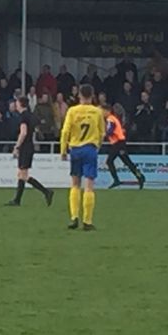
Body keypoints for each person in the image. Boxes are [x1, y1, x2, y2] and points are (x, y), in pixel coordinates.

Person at [60, 84, 105, 230]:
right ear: (92, 96)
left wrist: (63, 150)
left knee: (75, 184)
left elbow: (65, 131)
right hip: (90, 149)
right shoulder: (97, 112)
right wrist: (97, 146)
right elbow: (102, 133)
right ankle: (87, 221)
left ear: (79, 95)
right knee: (89, 185)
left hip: (76, 149)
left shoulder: (72, 111)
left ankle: (74, 218)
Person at [6, 96, 53, 207]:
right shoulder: (31, 115)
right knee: (21, 174)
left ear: (21, 104)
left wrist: (17, 146)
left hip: (25, 147)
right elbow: (36, 128)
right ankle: (17, 200)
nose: (15, 105)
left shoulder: (23, 117)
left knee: (23, 175)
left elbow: (23, 133)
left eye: (17, 103)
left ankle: (46, 191)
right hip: (29, 146)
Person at [103, 105, 145, 189]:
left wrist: (104, 134)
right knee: (127, 162)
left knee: (110, 161)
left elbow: (110, 130)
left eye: (103, 111)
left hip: (118, 143)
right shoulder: (113, 118)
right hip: (119, 143)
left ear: (107, 111)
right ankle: (140, 177)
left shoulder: (110, 119)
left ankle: (116, 180)